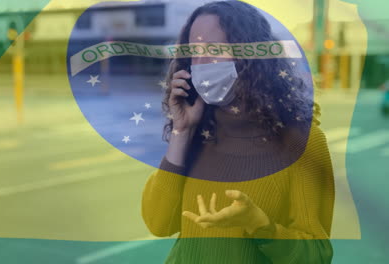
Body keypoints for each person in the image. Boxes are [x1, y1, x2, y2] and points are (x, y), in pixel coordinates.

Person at [141, 1, 335, 263]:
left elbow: (317, 256)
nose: (202, 63)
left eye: (215, 50)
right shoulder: (200, 130)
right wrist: (182, 132)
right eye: (194, 52)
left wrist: (260, 226)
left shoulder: (301, 141)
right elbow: (158, 223)